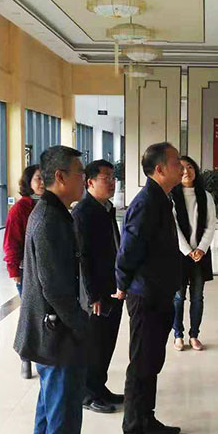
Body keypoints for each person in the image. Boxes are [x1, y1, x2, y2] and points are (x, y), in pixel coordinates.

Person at [13, 146, 105, 434]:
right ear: (60, 177)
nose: (85, 178)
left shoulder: (53, 212)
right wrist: (81, 325)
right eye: (80, 173)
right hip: (58, 334)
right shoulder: (49, 218)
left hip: (51, 330)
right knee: (62, 419)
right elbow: (54, 287)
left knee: (49, 413)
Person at [113, 142, 183, 434]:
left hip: (160, 291)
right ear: (159, 169)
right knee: (141, 364)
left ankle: (147, 418)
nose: (181, 166)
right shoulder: (146, 203)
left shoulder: (162, 198)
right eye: (176, 161)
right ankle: (132, 433)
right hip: (145, 295)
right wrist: (122, 283)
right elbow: (128, 249)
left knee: (153, 360)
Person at [72, 160, 124, 414]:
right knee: (94, 345)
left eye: (113, 178)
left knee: (106, 343)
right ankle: (87, 394)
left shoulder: (106, 208)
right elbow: (81, 258)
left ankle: (99, 387)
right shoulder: (83, 213)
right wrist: (91, 295)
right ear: (90, 182)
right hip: (96, 294)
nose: (112, 182)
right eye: (106, 178)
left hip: (111, 287)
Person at [170, 155, 216, 351]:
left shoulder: (206, 196)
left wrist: (201, 249)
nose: (186, 171)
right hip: (179, 255)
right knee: (178, 297)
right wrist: (188, 251)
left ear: (195, 170)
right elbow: (173, 227)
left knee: (197, 297)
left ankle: (194, 335)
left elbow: (211, 225)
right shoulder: (171, 196)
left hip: (200, 255)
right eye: (181, 168)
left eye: (189, 167)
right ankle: (178, 335)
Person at [3, 164, 45, 379]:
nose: (42, 182)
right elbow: (11, 242)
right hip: (26, 271)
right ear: (28, 182)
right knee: (30, 314)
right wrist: (14, 271)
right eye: (38, 178)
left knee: (43, 314)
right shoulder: (21, 208)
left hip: (46, 270)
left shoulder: (50, 204)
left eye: (45, 178)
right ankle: (25, 356)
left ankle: (41, 354)